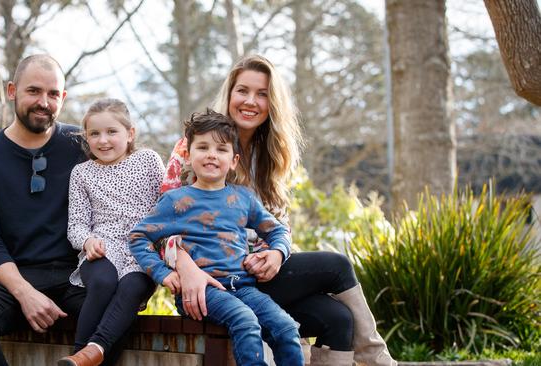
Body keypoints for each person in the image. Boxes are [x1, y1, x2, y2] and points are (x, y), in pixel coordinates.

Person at [161, 55, 397, 366]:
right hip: (215, 280)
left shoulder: (270, 155)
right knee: (337, 265)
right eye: (242, 91)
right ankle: (377, 358)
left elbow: (279, 228)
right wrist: (185, 266)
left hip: (257, 276)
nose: (250, 101)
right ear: (229, 94)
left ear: (272, 103)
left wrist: (277, 254)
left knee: (337, 318)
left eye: (262, 94)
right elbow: (161, 222)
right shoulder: (200, 143)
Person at [0, 54, 102, 366]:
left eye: (52, 94)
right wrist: (24, 293)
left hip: (77, 274)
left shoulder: (83, 145)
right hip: (16, 275)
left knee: (116, 309)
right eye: (33, 91)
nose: (43, 102)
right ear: (12, 91)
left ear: (62, 97)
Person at [130, 109, 304, 366]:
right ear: (188, 156)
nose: (212, 154)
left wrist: (278, 251)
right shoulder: (176, 201)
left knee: (286, 327)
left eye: (221, 149)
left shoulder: (243, 198)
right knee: (245, 321)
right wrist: (162, 274)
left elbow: (277, 229)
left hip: (244, 286)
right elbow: (139, 237)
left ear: (233, 160)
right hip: (204, 292)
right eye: (203, 147)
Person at [57, 99, 163, 366]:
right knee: (104, 282)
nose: (103, 140)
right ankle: (84, 352)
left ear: (130, 134)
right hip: (103, 247)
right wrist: (88, 240)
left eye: (111, 132)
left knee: (131, 287)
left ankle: (84, 356)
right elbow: (76, 225)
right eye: (94, 134)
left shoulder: (148, 161)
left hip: (142, 251)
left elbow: (167, 205)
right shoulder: (82, 173)